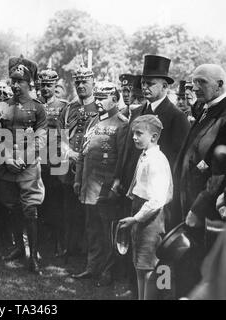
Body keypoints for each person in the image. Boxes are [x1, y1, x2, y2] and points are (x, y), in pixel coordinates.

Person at [113, 55, 190, 232]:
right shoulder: (138, 111)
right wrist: (118, 177)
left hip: (154, 194)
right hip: (131, 187)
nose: (145, 88)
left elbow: (178, 161)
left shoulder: (176, 117)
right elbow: (127, 149)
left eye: (151, 84)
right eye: (144, 83)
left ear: (164, 86)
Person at [71, 82, 128, 286]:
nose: (98, 102)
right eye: (97, 97)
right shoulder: (92, 121)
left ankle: (108, 272)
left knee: (107, 231)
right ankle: (92, 268)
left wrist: (115, 186)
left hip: (106, 187)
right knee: (92, 229)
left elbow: (122, 160)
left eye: (103, 98)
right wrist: (78, 180)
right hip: (89, 186)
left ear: (115, 99)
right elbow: (82, 154)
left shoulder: (122, 124)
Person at [0, 56, 47, 274]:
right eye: (13, 81)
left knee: (30, 209)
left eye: (20, 81)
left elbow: (42, 138)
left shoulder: (37, 108)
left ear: (29, 83)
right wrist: (6, 158)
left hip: (28, 167)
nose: (15, 85)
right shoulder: (3, 107)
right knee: (12, 207)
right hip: (6, 166)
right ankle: (18, 247)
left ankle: (33, 256)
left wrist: (23, 159)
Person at [119, 115, 173, 300]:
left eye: (139, 133)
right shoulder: (145, 156)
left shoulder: (156, 160)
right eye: (133, 133)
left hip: (150, 216)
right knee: (140, 266)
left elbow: (157, 199)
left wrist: (136, 218)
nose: (134, 137)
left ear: (154, 136)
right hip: (141, 211)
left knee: (148, 266)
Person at [174, 64, 226, 244]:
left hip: (207, 211)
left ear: (219, 85)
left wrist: (198, 209)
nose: (195, 88)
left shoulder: (223, 115)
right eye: (194, 82)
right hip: (188, 198)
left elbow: (220, 171)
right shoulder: (207, 109)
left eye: (201, 82)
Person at [58, 62, 98, 259]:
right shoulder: (68, 109)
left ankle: (86, 250)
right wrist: (68, 153)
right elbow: (60, 137)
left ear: (93, 82)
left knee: (88, 211)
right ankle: (69, 246)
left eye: (85, 82)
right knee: (67, 209)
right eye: (78, 82)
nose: (81, 85)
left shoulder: (99, 107)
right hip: (69, 166)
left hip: (90, 168)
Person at [37, 63, 67, 257]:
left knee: (56, 202)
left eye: (49, 85)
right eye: (43, 85)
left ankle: (58, 243)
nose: (46, 88)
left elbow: (65, 135)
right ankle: (39, 242)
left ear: (55, 85)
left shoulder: (63, 106)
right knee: (38, 201)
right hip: (37, 159)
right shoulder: (33, 105)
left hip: (55, 159)